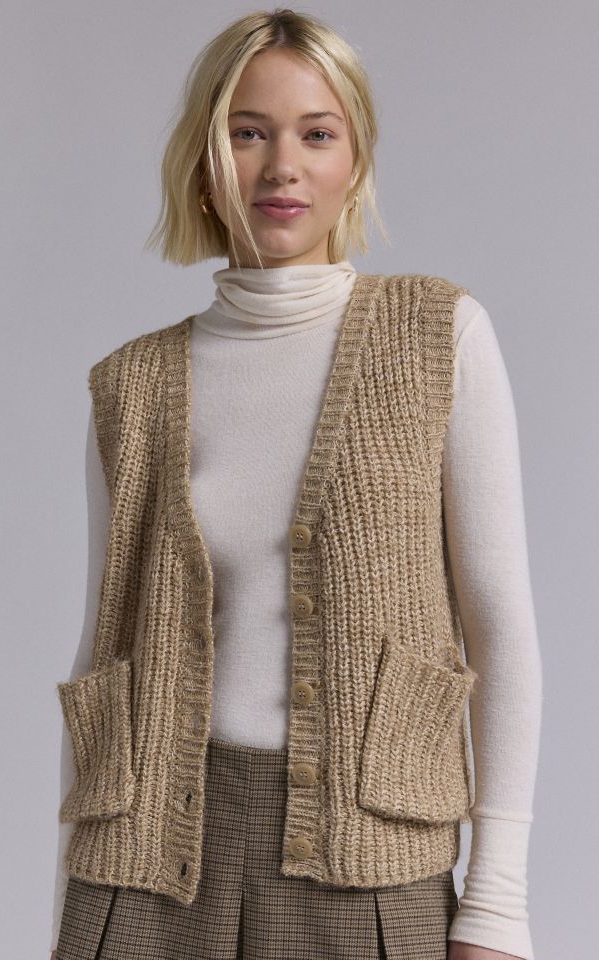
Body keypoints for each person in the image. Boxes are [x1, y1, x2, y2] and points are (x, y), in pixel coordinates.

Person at [50, 8, 542, 960]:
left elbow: (501, 633)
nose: (282, 166)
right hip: (143, 871)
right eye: (248, 132)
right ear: (205, 163)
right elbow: (103, 655)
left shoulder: (437, 337)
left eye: (317, 134)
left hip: (367, 863)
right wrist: (66, 906)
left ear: (354, 161)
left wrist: (498, 905)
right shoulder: (131, 386)